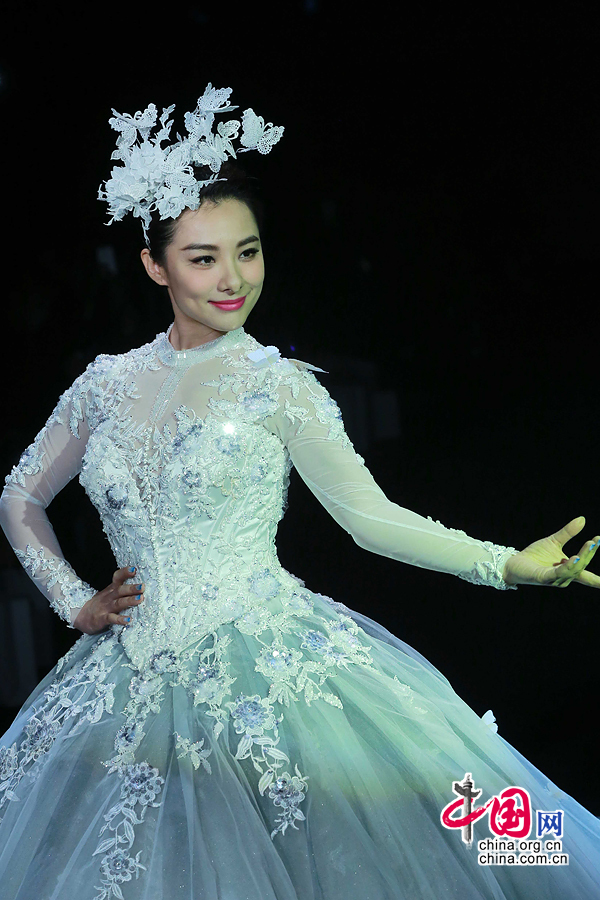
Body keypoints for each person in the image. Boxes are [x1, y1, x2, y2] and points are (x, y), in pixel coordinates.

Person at [0, 85, 598, 900]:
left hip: (269, 667)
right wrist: (74, 603)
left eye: (248, 252)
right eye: (203, 257)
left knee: (463, 843)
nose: (233, 278)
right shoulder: (104, 385)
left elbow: (369, 518)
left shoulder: (278, 386)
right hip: (121, 677)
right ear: (153, 264)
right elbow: (20, 497)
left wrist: (504, 565)